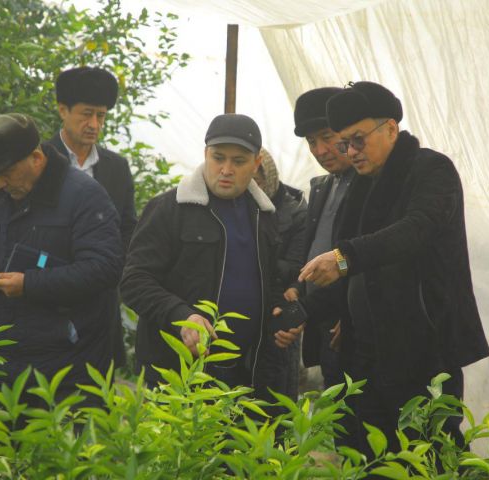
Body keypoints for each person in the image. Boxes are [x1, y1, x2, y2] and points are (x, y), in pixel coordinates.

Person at [289, 81, 489, 452]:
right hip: (368, 356)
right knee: (372, 458)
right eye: (344, 144)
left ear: (391, 129)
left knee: (430, 453)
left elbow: (414, 231)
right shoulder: (364, 184)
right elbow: (357, 277)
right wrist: (303, 310)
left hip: (424, 352)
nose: (351, 152)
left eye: (358, 140)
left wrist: (343, 257)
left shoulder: (431, 169)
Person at [0, 113, 123, 404]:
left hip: (71, 369)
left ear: (36, 158)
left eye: (6, 173)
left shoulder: (84, 196)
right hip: (5, 361)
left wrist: (29, 284)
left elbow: (104, 268)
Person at [120, 114, 286, 398]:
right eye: (218, 158)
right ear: (206, 154)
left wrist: (281, 310)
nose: (226, 169)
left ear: (257, 163)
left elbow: (267, 282)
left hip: (247, 375)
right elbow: (134, 281)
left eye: (238, 161)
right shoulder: (170, 209)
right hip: (178, 373)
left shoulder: (264, 215)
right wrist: (182, 316)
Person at [46, 66, 138, 366]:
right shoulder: (40, 161)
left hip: (100, 303)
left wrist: (112, 269)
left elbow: (127, 228)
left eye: (101, 116)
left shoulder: (115, 168)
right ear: (63, 110)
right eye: (86, 114)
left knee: (98, 385)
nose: (94, 124)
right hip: (47, 299)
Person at [281, 87, 356, 391]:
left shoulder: (370, 185)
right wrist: (297, 289)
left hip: (352, 324)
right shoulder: (322, 187)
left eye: (327, 137)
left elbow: (364, 257)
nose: (321, 150)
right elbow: (314, 249)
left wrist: (355, 314)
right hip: (322, 322)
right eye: (312, 142)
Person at [253, 148, 307, 400]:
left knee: (277, 397)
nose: (252, 186)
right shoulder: (234, 207)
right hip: (245, 319)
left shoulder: (295, 212)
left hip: (279, 314)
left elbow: (298, 265)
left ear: (269, 177)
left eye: (257, 179)